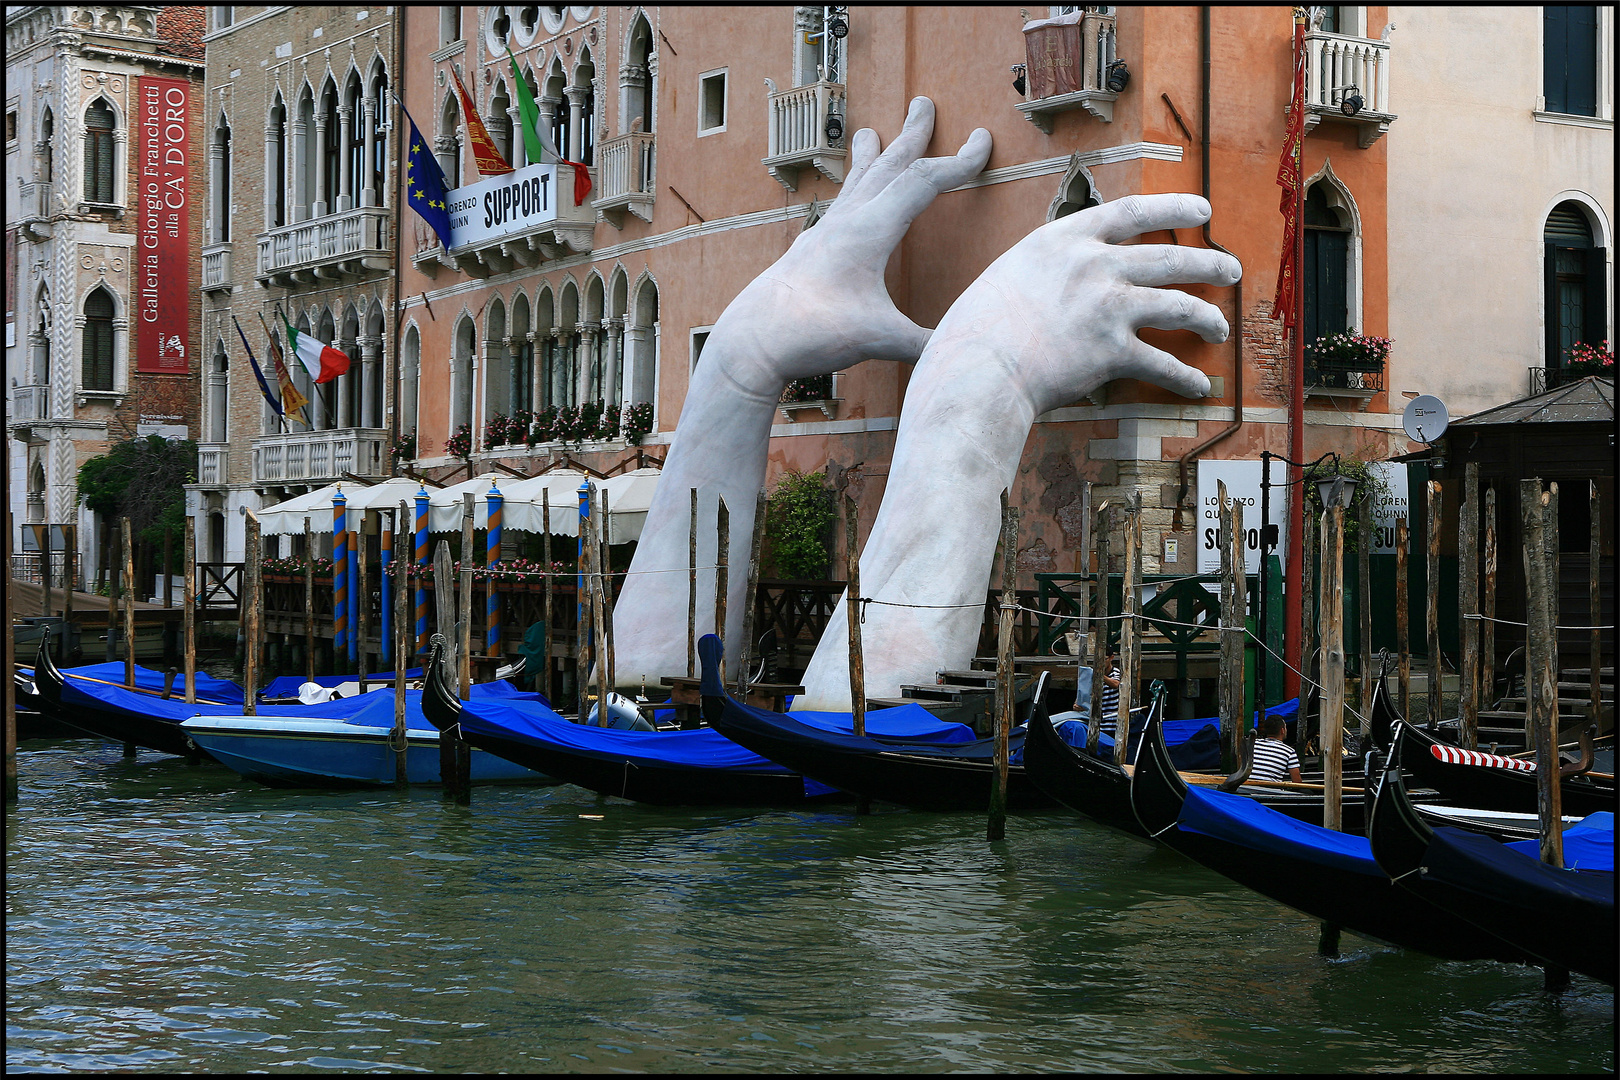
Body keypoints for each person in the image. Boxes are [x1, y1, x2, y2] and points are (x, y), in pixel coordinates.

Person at [1249, 712, 1302, 783]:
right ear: (1282, 731)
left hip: (1247, 787)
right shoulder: (1289, 751)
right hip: (1271, 790)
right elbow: (1297, 782)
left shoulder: (1252, 744)